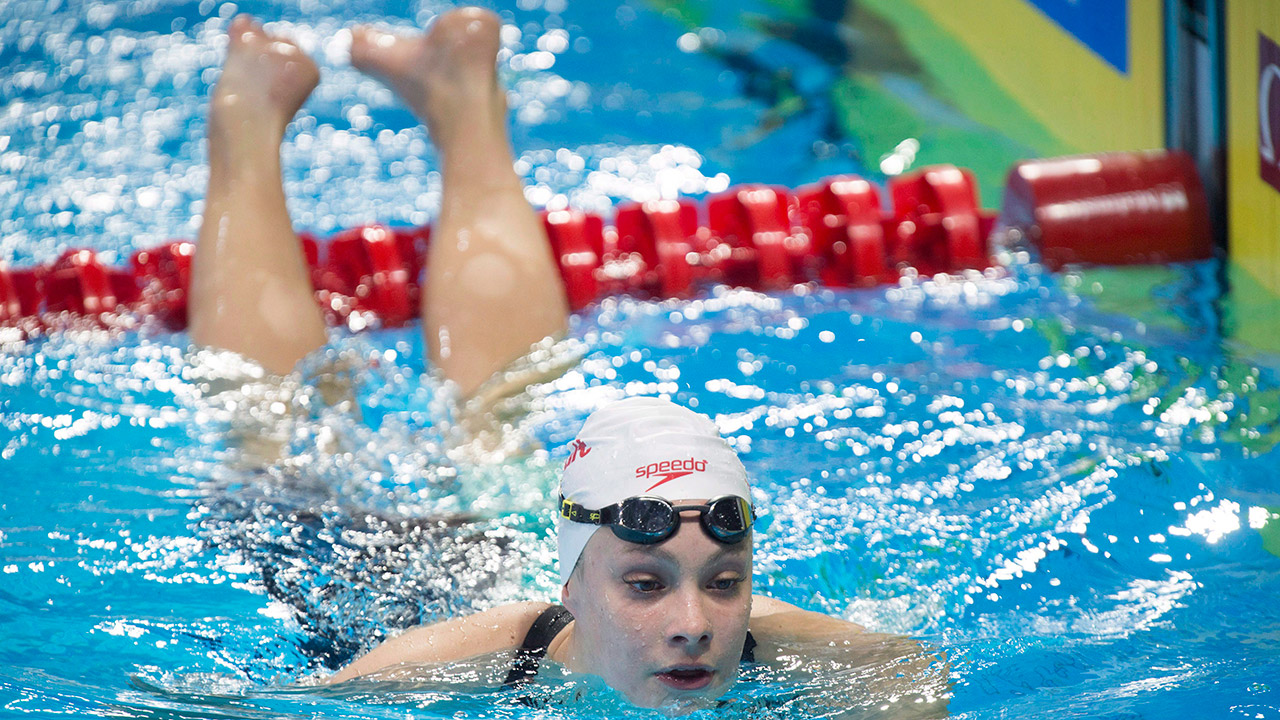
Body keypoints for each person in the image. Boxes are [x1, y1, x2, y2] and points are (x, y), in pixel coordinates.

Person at [188, 7, 948, 715]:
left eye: (725, 583)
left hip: (504, 537)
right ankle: (247, 121)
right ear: (572, 588)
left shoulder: (760, 637)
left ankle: (465, 92)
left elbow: (911, 676)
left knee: (498, 413)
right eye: (645, 584)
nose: (694, 625)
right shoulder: (440, 664)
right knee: (270, 438)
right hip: (381, 578)